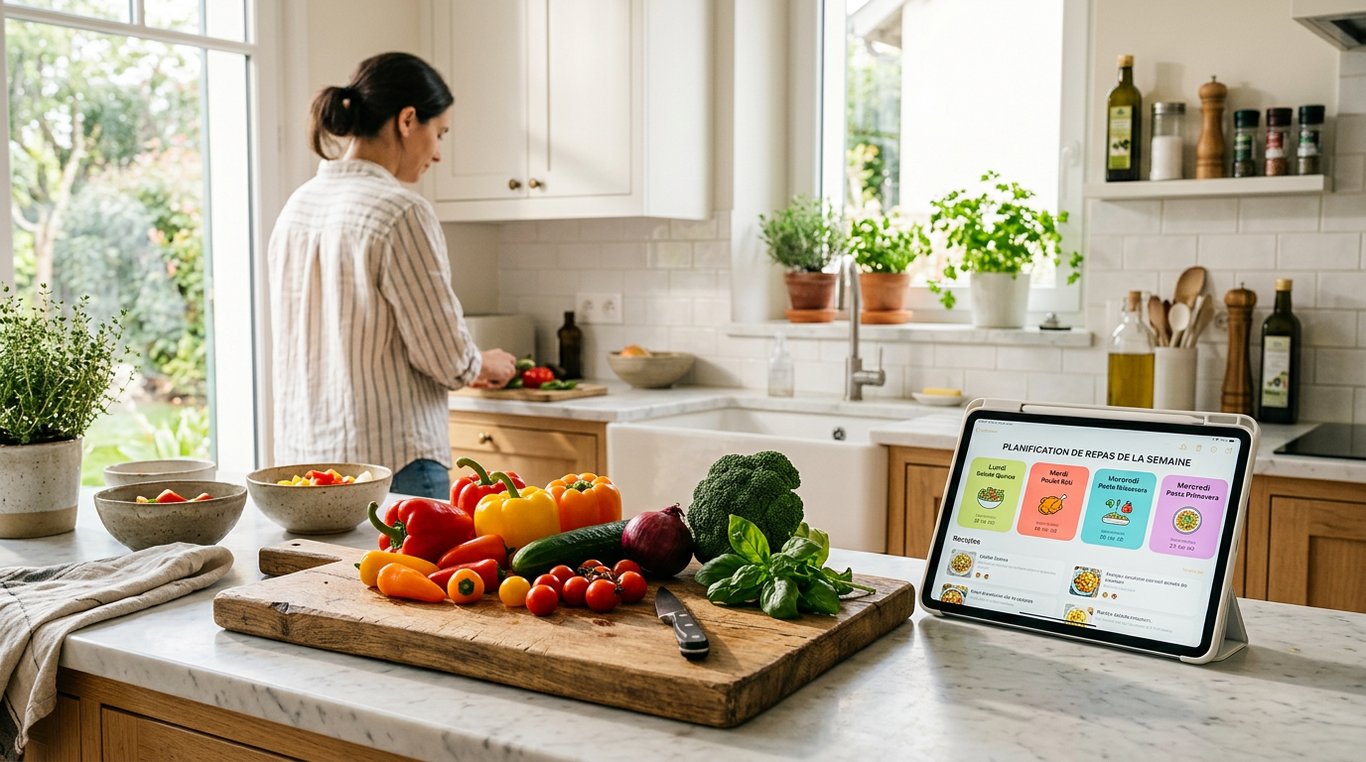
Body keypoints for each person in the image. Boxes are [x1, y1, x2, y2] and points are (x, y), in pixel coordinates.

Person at [268, 52, 516, 499]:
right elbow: (447, 359)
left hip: (305, 466)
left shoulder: (298, 207)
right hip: (394, 464)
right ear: (407, 120)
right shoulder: (401, 211)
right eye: (439, 133)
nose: (438, 153)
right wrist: (482, 363)